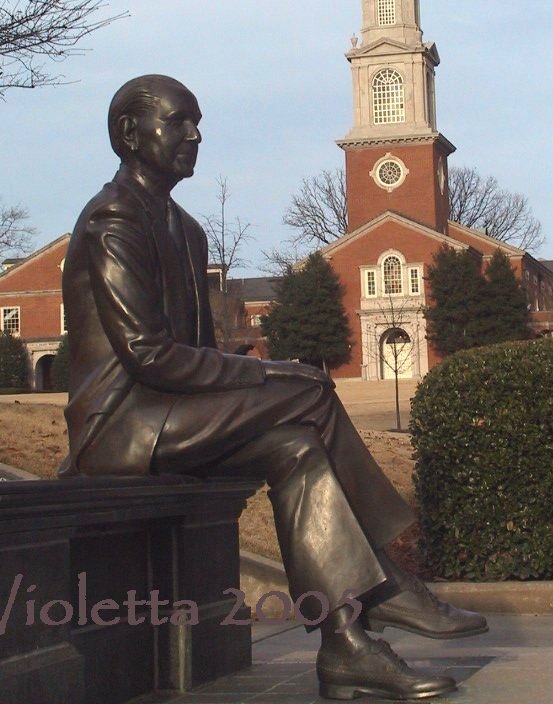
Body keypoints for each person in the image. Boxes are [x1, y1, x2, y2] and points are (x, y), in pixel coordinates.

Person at [60, 74, 486, 701]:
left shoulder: (187, 229)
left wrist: (263, 380)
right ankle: (391, 586)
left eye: (197, 121)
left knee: (296, 448)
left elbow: (199, 354)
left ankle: (346, 647)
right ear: (129, 134)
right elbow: (149, 356)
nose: (194, 134)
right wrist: (270, 372)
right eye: (178, 121)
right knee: (310, 390)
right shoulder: (113, 219)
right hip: (122, 426)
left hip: (171, 415)